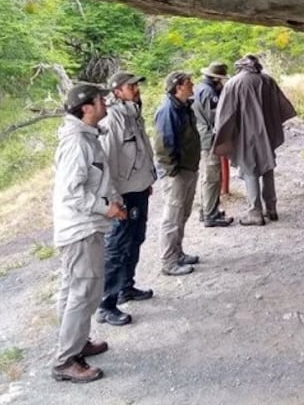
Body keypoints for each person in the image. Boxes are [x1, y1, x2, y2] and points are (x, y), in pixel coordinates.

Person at [52, 83, 127, 383]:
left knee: (74, 290)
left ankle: (76, 342)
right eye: (100, 100)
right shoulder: (76, 143)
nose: (105, 103)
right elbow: (72, 193)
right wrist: (105, 207)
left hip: (83, 226)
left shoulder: (86, 137)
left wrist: (109, 203)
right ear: (86, 108)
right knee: (84, 292)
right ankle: (65, 360)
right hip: (79, 228)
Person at [95, 71, 158, 327]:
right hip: (124, 193)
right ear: (117, 91)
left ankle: (126, 287)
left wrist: (148, 180)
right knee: (118, 246)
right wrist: (113, 199)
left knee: (136, 239)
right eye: (129, 86)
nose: (135, 88)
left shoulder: (133, 113)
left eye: (135, 85)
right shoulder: (113, 119)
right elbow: (107, 163)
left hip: (139, 188)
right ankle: (106, 304)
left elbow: (141, 150)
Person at [213, 54, 296, 226]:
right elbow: (281, 106)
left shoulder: (234, 83)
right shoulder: (267, 80)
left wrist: (223, 133)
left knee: (250, 169)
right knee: (267, 168)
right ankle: (271, 208)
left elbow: (224, 114)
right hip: (267, 132)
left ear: (241, 66)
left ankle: (255, 212)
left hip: (245, 134)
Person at [153, 71, 202, 275]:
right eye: (188, 82)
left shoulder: (183, 107)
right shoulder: (168, 110)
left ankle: (177, 253)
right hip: (177, 172)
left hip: (187, 168)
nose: (192, 84)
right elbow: (163, 144)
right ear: (179, 86)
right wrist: (172, 172)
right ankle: (169, 261)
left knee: (183, 213)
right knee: (172, 217)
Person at [192, 62, 233, 228]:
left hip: (202, 136)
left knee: (207, 176)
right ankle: (210, 214)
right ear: (216, 79)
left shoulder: (200, 88)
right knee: (212, 176)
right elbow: (216, 117)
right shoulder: (210, 93)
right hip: (209, 139)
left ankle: (207, 210)